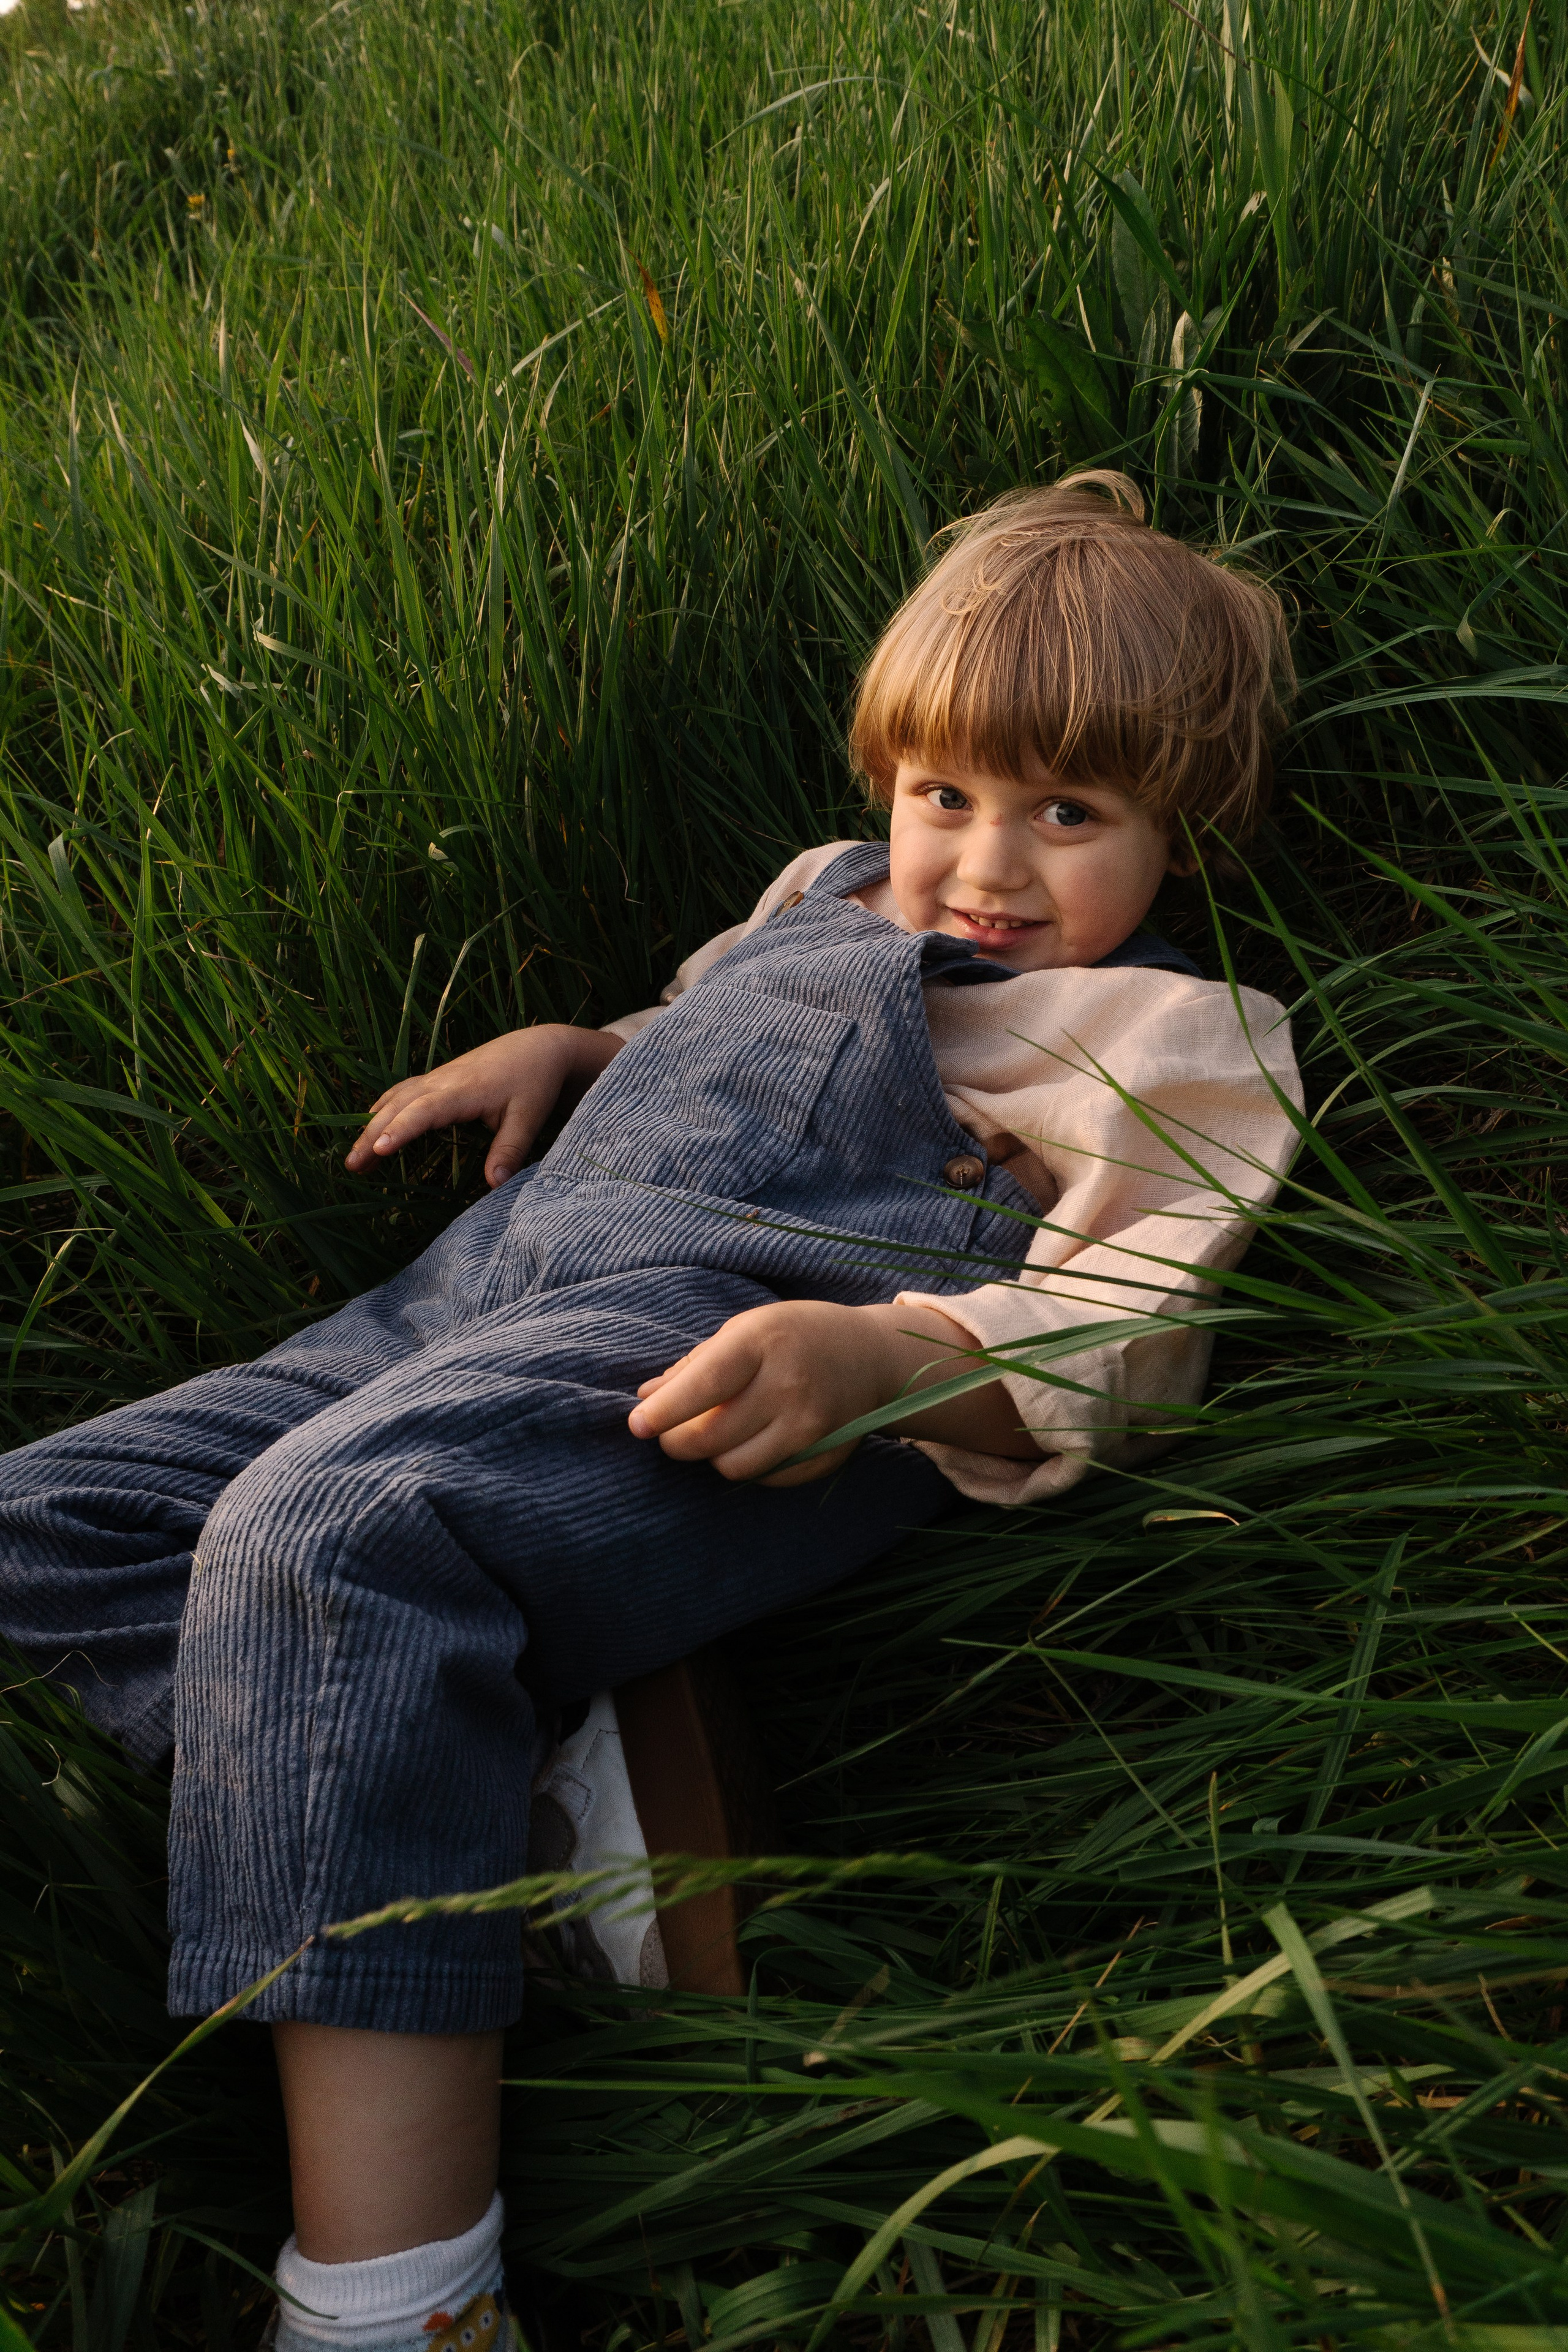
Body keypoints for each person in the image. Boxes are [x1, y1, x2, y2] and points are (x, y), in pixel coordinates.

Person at [0, 471, 1302, 2351]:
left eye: (1068, 812)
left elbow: (1126, 1328)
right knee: (47, 1527)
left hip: (740, 1348)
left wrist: (896, 1361)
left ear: (1189, 822)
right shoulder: (815, 898)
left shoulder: (1172, 1037)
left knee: (328, 1542)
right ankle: (484, 1764)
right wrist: (574, 1052)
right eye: (943, 795)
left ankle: (403, 2300)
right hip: (461, 1300)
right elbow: (700, 1035)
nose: (986, 867)